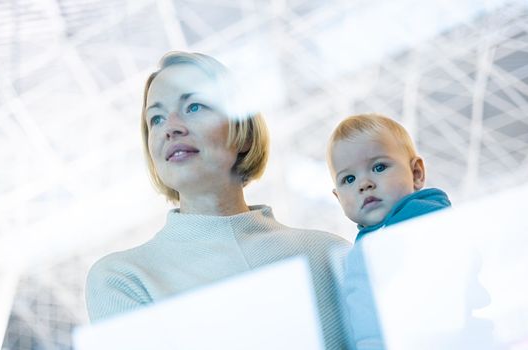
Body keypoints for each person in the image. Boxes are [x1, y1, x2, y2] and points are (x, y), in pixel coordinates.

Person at [85, 51, 352, 349]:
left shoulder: (329, 254)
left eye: (194, 106)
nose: (170, 127)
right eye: (156, 118)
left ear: (244, 132)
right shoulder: (123, 279)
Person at [326, 113, 452, 349]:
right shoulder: (365, 243)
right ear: (338, 197)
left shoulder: (424, 217)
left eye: (379, 167)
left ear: (416, 173)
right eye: (349, 179)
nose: (364, 184)